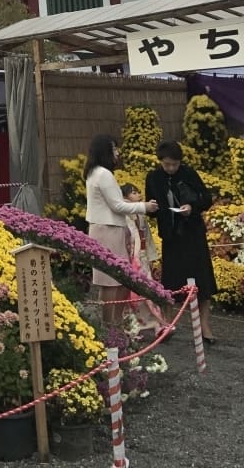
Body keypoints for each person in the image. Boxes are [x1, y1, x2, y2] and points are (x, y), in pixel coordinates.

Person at [145, 139, 217, 345]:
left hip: (193, 233)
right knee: (171, 281)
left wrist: (192, 207)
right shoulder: (153, 177)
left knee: (202, 279)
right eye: (166, 164)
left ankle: (204, 325)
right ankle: (167, 324)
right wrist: (152, 208)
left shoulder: (188, 173)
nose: (170, 168)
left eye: (174, 164)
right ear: (160, 161)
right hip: (171, 236)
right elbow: (152, 206)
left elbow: (206, 198)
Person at [84, 134, 158, 326]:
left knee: (117, 279)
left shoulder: (93, 173)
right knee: (112, 281)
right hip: (108, 230)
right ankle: (111, 325)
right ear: (105, 152)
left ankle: (113, 324)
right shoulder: (104, 174)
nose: (117, 153)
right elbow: (117, 205)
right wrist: (144, 207)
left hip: (104, 229)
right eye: (114, 149)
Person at [121, 182, 172, 337]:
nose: (138, 195)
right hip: (129, 259)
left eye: (138, 192)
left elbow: (147, 237)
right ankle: (131, 329)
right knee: (130, 295)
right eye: (134, 192)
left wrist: (151, 257)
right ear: (124, 197)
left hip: (142, 258)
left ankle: (157, 324)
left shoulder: (141, 213)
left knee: (148, 291)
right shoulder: (122, 214)